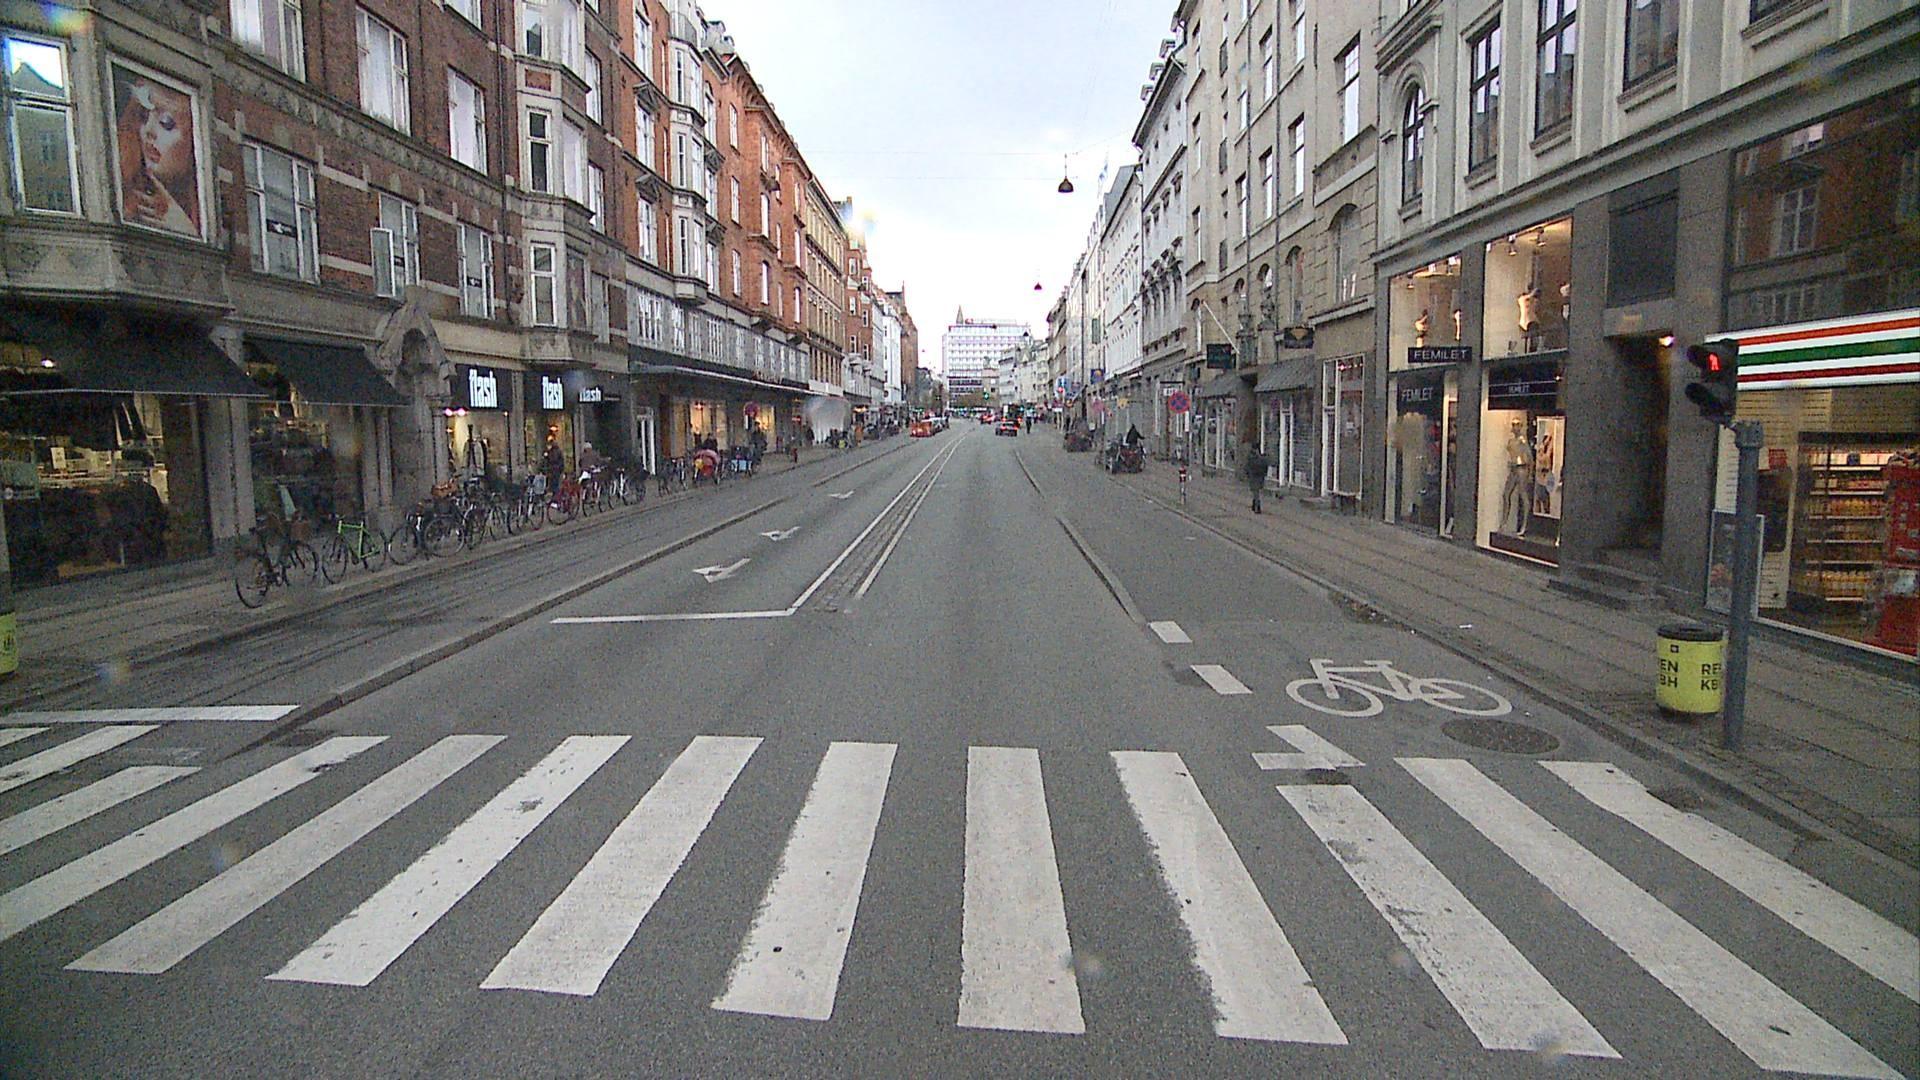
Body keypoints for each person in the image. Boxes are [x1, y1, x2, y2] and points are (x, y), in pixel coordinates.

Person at [1243, 441, 1270, 514]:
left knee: (1255, 492)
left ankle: (1256, 506)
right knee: (1257, 491)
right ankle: (1255, 504)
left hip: (1254, 476)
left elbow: (1247, 466)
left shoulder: (1251, 457)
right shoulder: (1262, 458)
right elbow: (1265, 467)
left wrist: (1247, 474)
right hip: (1260, 477)